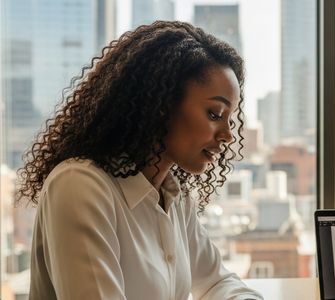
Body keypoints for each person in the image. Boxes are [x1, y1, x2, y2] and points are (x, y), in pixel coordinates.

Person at [16, 21, 263, 299]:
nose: (229, 135)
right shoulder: (80, 186)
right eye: (215, 114)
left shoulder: (173, 196)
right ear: (162, 105)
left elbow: (216, 282)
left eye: (230, 120)